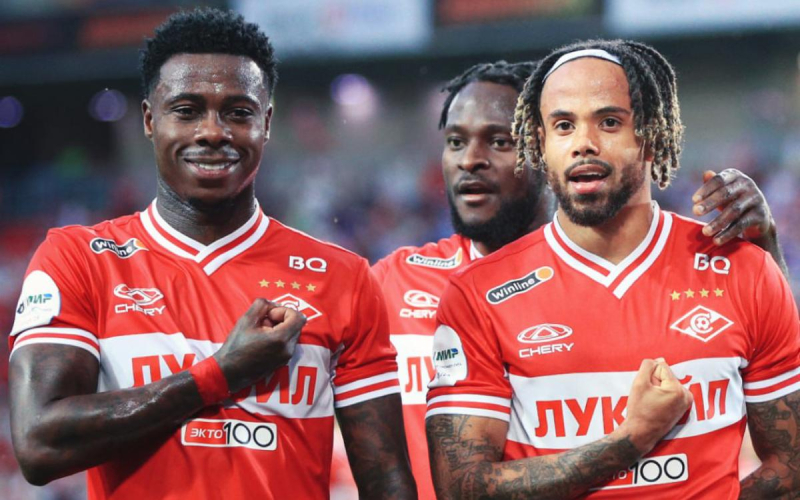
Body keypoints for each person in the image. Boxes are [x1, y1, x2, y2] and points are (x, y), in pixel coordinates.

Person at [8, 9, 416, 500]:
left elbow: (387, 480)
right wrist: (220, 373)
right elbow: (39, 444)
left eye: (238, 112)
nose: (212, 132)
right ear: (149, 120)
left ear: (266, 123)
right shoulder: (79, 259)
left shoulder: (343, 277)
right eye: (187, 110)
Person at [370, 60, 786, 498]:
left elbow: (770, 361)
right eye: (455, 142)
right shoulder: (399, 283)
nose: (470, 160)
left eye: (500, 141)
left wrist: (765, 249)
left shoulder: (689, 267)